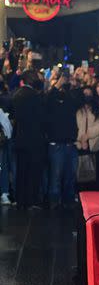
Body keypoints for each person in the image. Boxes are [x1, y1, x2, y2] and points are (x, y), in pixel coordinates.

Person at [45, 68, 82, 207]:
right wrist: (57, 84)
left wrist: (74, 84)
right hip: (56, 145)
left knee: (70, 178)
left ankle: (68, 203)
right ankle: (53, 204)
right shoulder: (51, 100)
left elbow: (79, 100)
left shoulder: (69, 99)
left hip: (70, 144)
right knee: (55, 177)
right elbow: (47, 100)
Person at [11, 70, 46, 210]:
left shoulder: (16, 95)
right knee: (33, 171)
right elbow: (42, 119)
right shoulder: (36, 97)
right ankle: (31, 200)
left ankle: (20, 200)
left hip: (20, 139)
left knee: (21, 171)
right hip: (34, 140)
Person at [75, 90, 99, 191]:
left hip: (95, 145)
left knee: (95, 175)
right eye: (85, 93)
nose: (87, 96)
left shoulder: (98, 110)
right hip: (80, 145)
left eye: (89, 93)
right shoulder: (78, 111)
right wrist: (81, 140)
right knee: (80, 174)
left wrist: (87, 136)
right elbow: (75, 127)